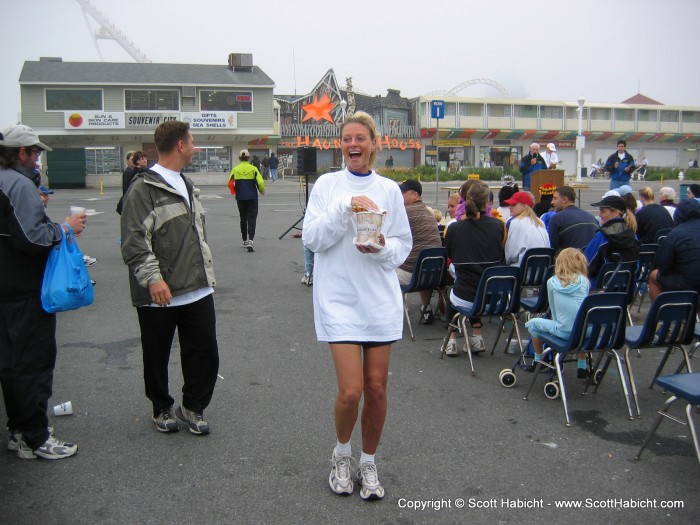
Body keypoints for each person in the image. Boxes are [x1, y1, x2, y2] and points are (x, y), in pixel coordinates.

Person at [301, 111, 411, 501]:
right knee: (351, 391)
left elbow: (403, 246)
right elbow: (313, 239)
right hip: (339, 300)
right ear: (340, 144)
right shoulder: (328, 186)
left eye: (360, 138)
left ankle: (368, 460)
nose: (353, 144)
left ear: (373, 144)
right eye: (347, 138)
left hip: (379, 301)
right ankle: (341, 454)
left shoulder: (390, 190)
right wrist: (345, 205)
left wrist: (381, 247)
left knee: (377, 389)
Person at [120, 120, 219, 436]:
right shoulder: (143, 188)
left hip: (197, 288)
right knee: (156, 353)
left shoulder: (187, 184)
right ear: (180, 145)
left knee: (204, 353)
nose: (196, 147)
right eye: (192, 141)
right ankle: (161, 406)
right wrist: (153, 279)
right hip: (159, 291)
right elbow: (134, 241)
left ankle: (192, 406)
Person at [0, 124, 86, 459]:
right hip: (24, 289)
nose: (37, 159)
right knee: (33, 363)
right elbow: (32, 237)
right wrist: (65, 228)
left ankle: (20, 430)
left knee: (10, 364)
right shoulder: (17, 184)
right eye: (34, 152)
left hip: (6, 288)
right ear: (21, 153)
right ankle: (36, 438)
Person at [443, 181, 506, 356]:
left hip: (467, 295)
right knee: (479, 282)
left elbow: (449, 255)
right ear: (487, 203)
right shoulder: (499, 225)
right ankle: (477, 336)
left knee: (454, 291)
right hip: (496, 299)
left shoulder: (454, 228)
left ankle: (452, 339)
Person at [525, 248, 591, 378]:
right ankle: (582, 365)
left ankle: (538, 359)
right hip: (585, 332)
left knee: (532, 324)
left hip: (564, 332)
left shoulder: (552, 282)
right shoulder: (585, 282)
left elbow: (554, 312)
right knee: (581, 321)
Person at [395, 179, 443, 324]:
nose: (400, 195)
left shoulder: (405, 212)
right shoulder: (429, 213)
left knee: (379, 271)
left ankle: (389, 312)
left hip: (412, 276)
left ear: (415, 195)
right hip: (433, 275)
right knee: (423, 260)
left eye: (403, 193)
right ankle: (426, 309)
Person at [649, 198, 700, 300]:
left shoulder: (676, 233)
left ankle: (661, 313)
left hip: (689, 282)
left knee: (654, 276)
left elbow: (663, 266)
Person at [583, 195, 640, 281]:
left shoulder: (602, 236)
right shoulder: (633, 235)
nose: (599, 214)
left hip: (600, 288)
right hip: (627, 288)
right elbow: (637, 266)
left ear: (616, 213)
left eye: (603, 211)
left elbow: (586, 263)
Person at [228, 149, 265, 252]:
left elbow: (230, 183)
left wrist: (235, 191)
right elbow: (261, 182)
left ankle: (244, 240)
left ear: (239, 158)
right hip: (252, 197)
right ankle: (251, 240)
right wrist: (261, 190)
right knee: (252, 218)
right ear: (248, 158)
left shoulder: (235, 170)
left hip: (240, 197)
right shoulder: (253, 169)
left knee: (243, 217)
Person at [503, 191, 550, 267]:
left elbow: (510, 256)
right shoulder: (540, 222)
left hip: (523, 272)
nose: (510, 207)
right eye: (510, 204)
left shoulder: (516, 222)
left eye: (513, 204)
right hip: (543, 271)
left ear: (524, 206)